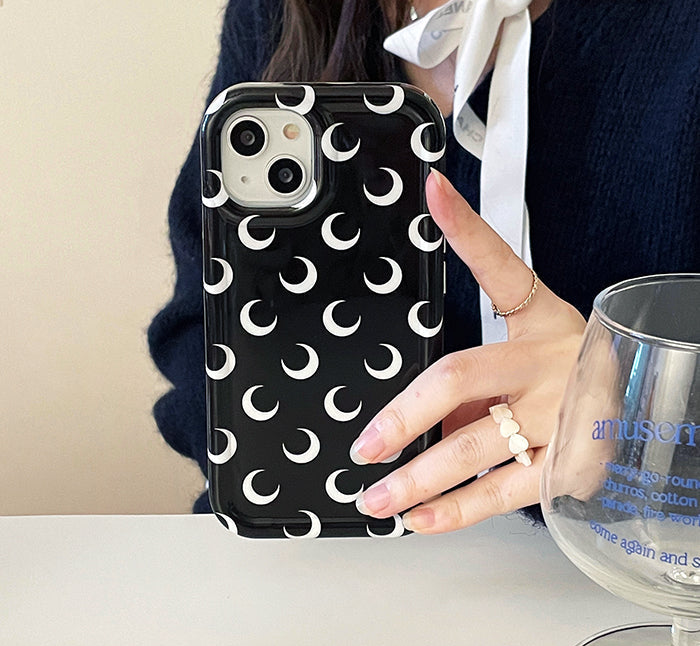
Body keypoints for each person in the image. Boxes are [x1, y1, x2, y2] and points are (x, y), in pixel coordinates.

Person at [148, 0, 699, 530]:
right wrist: (291, 470)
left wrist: (629, 430)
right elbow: (200, 329)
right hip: (296, 546)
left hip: (619, 566)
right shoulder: (287, 11)